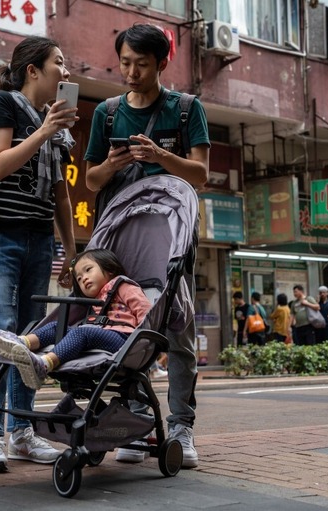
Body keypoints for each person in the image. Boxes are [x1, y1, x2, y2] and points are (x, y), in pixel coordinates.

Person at [84, 23, 210, 469]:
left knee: (177, 333)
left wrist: (160, 157)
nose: (131, 72)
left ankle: (181, 427)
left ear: (161, 63)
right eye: (124, 63)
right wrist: (110, 164)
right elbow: (90, 180)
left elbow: (199, 174)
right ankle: (135, 421)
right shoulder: (108, 113)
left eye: (141, 64)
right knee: (123, 330)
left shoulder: (185, 109)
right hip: (120, 244)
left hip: (173, 243)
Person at [0, 36, 79, 473]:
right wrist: (45, 130)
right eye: (59, 63)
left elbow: (62, 196)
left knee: (30, 337)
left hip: (39, 238)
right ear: (33, 70)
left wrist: (71, 253)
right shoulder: (3, 104)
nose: (65, 73)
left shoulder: (60, 125)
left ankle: (21, 433)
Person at [0, 248, 152, 389]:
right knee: (57, 327)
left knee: (82, 332)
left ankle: (44, 365)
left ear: (110, 269)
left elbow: (146, 314)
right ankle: (20, 342)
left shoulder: (124, 286)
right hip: (100, 337)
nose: (83, 278)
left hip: (125, 341)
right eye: (78, 278)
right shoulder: (93, 301)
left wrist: (144, 343)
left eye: (88, 270)